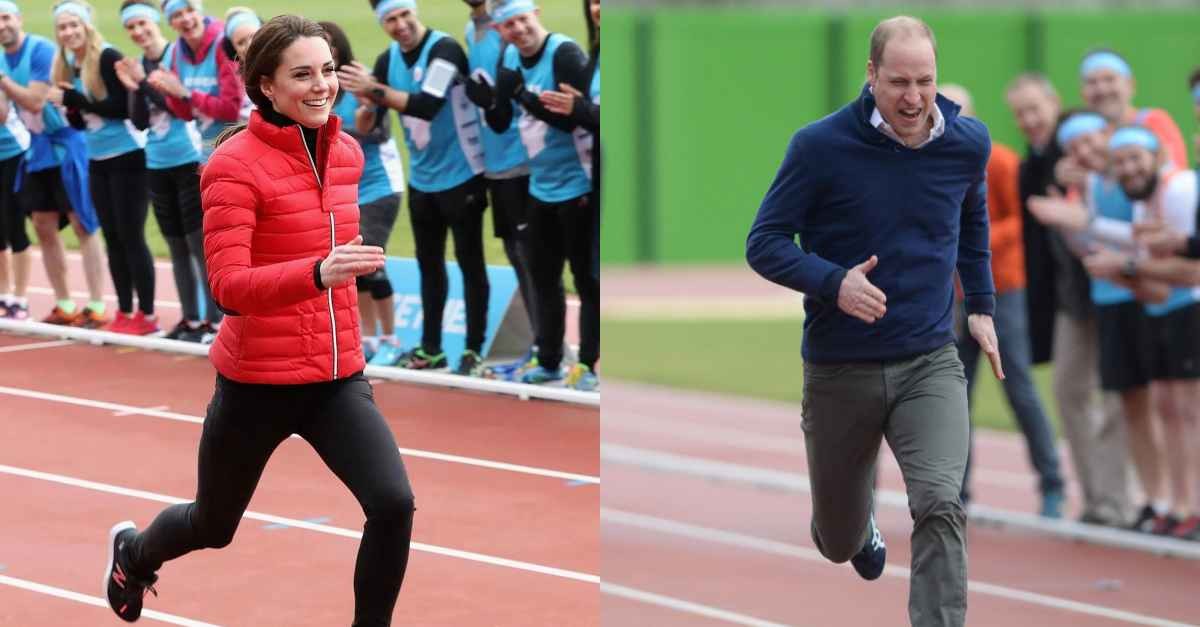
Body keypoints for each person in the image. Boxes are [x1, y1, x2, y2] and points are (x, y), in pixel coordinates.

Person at [103, 16, 415, 624]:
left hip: (336, 378)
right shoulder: (232, 165)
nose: (321, 85)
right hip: (256, 386)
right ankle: (134, 555)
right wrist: (315, 273)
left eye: (327, 70)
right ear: (266, 86)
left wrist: (344, 268)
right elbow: (227, 287)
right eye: (302, 74)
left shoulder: (347, 153)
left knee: (393, 502)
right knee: (213, 525)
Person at [746, 17, 999, 626]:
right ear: (870, 75)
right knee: (834, 539)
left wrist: (984, 307)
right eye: (898, 82)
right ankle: (858, 530)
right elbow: (765, 241)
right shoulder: (819, 147)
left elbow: (972, 223)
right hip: (840, 368)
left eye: (925, 81)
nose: (914, 98)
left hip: (930, 361)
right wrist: (835, 283)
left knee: (940, 503)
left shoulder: (967, 141)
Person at [1029, 114, 1170, 535]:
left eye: (1089, 143)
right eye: (1074, 148)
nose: (1084, 153)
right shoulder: (1089, 185)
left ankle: (1162, 502)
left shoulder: (1137, 181)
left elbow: (1145, 237)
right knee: (1128, 403)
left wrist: (1083, 222)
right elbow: (1086, 246)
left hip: (1144, 298)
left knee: (1161, 408)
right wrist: (1069, 219)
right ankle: (1149, 501)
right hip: (1106, 299)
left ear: (1106, 137)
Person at [1007, 73, 1133, 527]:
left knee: (1118, 395)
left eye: (1034, 108)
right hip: (1070, 299)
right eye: (1019, 113)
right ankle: (1099, 497)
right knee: (1068, 389)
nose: (1028, 119)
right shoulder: (1030, 166)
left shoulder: (1083, 144)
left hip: (1116, 287)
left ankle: (1121, 499)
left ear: (1054, 103)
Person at [337, 0, 490, 374]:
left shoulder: (444, 48)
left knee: (470, 261)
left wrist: (374, 91)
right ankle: (432, 347)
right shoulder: (389, 61)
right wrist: (365, 110)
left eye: (405, 15)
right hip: (422, 178)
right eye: (391, 19)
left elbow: (426, 106)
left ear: (415, 12)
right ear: (382, 23)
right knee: (429, 264)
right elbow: (374, 125)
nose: (401, 24)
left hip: (463, 174)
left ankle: (473, 350)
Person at [940, 83, 1064, 518]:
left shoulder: (1001, 160)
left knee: (1020, 388)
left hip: (1003, 289)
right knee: (956, 395)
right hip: (950, 296)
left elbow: (1020, 222)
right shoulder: (929, 166)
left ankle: (1053, 483)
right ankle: (957, 492)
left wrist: (976, 242)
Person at [1073, 127, 1200, 541]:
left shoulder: (1180, 189)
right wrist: (1122, 270)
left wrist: (1126, 268)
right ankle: (1177, 506)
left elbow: (1192, 271)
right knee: (1167, 409)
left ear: (1157, 155)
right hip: (1164, 308)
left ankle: (1192, 507)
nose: (1128, 168)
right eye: (1121, 161)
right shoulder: (1144, 205)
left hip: (1189, 309)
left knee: (1188, 411)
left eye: (1136, 158)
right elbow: (1159, 283)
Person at [473, 0, 599, 388]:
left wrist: (523, 96)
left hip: (577, 184)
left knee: (585, 277)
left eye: (523, 20)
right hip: (540, 185)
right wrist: (489, 102)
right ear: (498, 31)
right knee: (543, 275)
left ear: (537, 13)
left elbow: (574, 119)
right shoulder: (510, 55)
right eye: (509, 25)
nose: (520, 30)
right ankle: (549, 360)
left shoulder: (564, 53)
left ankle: (589, 365)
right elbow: (502, 121)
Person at [50, 0, 159, 335]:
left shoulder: (107, 56)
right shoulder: (70, 63)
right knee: (112, 238)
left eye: (74, 25)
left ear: (86, 26)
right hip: (97, 160)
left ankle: (148, 315)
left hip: (129, 158)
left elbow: (122, 109)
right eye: (63, 27)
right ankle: (125, 310)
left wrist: (74, 101)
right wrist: (71, 110)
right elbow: (85, 121)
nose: (68, 32)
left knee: (131, 236)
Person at [115, 0, 220, 342]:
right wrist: (134, 89)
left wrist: (144, 82)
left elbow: (178, 106)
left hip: (188, 158)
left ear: (156, 22)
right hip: (156, 162)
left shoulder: (176, 55)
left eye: (142, 24)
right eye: (131, 27)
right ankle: (189, 320)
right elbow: (141, 120)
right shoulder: (141, 65)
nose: (138, 32)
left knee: (196, 245)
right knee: (175, 245)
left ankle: (213, 320)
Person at [0, 0, 108, 327]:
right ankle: (63, 303)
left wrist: (2, 80)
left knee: (81, 223)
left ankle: (97, 305)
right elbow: (4, 115)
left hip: (66, 144)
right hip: (37, 148)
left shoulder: (40, 50)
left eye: (5, 17)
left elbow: (33, 101)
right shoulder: (3, 58)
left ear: (18, 19)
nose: (2, 25)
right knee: (43, 224)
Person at [321, 19, 409, 368]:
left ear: (340, 48)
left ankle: (391, 338)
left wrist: (367, 106)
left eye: (329, 43)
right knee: (351, 266)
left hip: (379, 185)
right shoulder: (318, 86)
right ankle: (368, 338)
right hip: (344, 189)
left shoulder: (359, 81)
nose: (325, 49)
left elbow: (371, 128)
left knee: (369, 263)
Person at [460, 0, 540, 377]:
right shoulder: (471, 30)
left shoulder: (507, 33)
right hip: (495, 166)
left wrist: (493, 104)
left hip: (522, 162)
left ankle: (546, 348)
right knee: (516, 253)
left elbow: (510, 102)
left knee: (534, 258)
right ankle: (540, 346)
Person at [537, 0, 600, 390]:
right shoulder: (595, 54)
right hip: (592, 180)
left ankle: (591, 364)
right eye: (593, 2)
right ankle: (587, 363)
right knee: (589, 275)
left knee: (594, 276)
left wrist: (582, 109)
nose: (599, 8)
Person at [149, 0, 244, 163]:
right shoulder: (177, 51)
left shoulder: (223, 45)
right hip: (208, 149)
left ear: (200, 12)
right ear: (171, 23)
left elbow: (231, 110)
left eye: (190, 10)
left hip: (238, 148)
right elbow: (186, 115)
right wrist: (171, 93)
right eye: (177, 15)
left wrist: (185, 94)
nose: (186, 18)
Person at [1080, 48, 1187, 169]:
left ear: (1131, 85)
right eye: (1091, 82)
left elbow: (1176, 174)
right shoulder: (1081, 141)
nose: (1101, 89)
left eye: (1109, 79)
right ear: (1082, 92)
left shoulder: (1155, 122)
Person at [0, 66, 30, 320]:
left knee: (14, 223)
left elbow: (0, 114)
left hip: (13, 151)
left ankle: (20, 299)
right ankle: (3, 294)